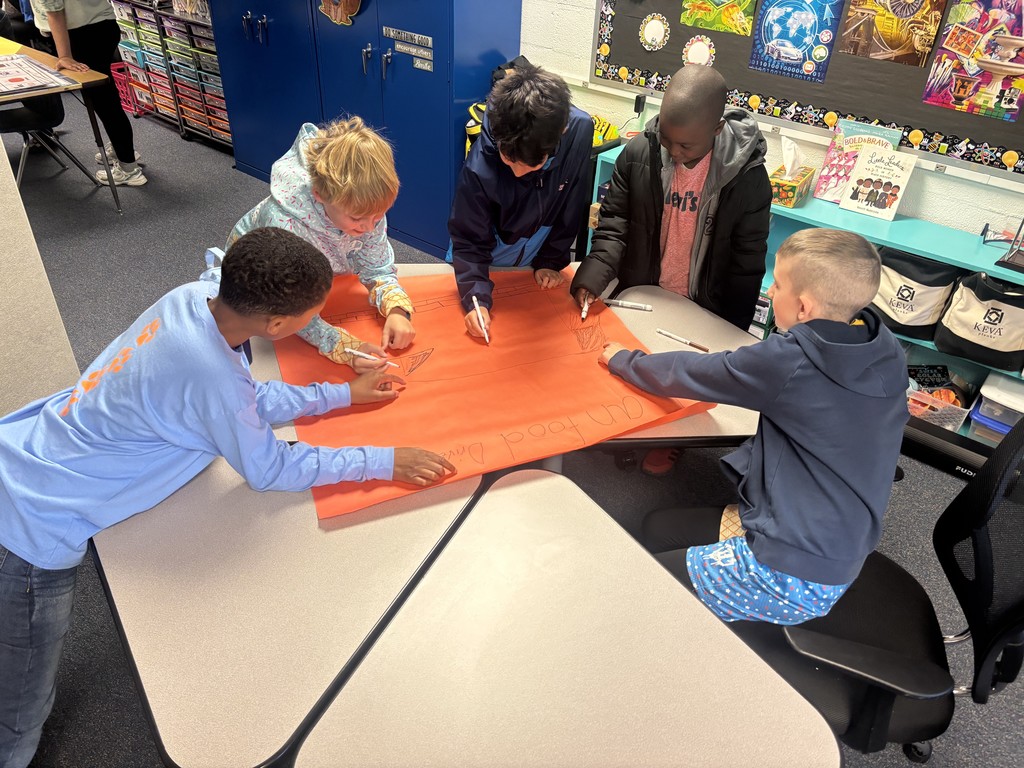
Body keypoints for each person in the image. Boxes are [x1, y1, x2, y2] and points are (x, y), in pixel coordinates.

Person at [0, 227, 455, 768]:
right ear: (277, 325)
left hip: (22, 452)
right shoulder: (213, 375)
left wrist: (337, 395)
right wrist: (383, 461)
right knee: (21, 706)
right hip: (35, 524)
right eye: (309, 317)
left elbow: (242, 395)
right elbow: (271, 467)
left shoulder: (192, 299)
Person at [598, 229, 908, 625]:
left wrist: (623, 359)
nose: (770, 290)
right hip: (836, 538)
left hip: (792, 572)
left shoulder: (789, 362)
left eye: (777, 284)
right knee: (660, 529)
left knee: (641, 593)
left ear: (803, 307)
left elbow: (696, 372)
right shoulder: (883, 346)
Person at [571, 64, 772, 475]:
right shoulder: (638, 154)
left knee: (688, 376)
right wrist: (594, 274)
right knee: (632, 360)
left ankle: (676, 436)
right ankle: (630, 422)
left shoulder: (748, 178)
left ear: (717, 130)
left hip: (706, 301)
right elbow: (615, 224)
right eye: (667, 139)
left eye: (686, 146)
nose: (675, 153)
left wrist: (732, 331)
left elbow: (747, 261)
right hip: (647, 288)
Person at [228, 117, 415, 371]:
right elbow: (291, 308)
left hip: (318, 270)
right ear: (319, 195)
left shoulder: (364, 209)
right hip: (258, 284)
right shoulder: (284, 225)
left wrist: (397, 310)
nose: (370, 227)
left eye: (378, 216)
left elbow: (377, 266)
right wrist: (343, 347)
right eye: (357, 219)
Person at [448, 62, 593, 340]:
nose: (517, 172)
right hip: (486, 248)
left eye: (531, 165)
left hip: (538, 243)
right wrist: (475, 295)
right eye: (508, 160)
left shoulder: (578, 131)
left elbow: (571, 201)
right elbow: (469, 240)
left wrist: (550, 260)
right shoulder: (482, 161)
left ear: (561, 133)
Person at [29, 0, 145, 185]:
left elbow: (55, 11)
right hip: (101, 25)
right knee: (106, 99)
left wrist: (64, 56)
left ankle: (128, 167)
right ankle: (122, 150)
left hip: (80, 34)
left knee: (104, 101)